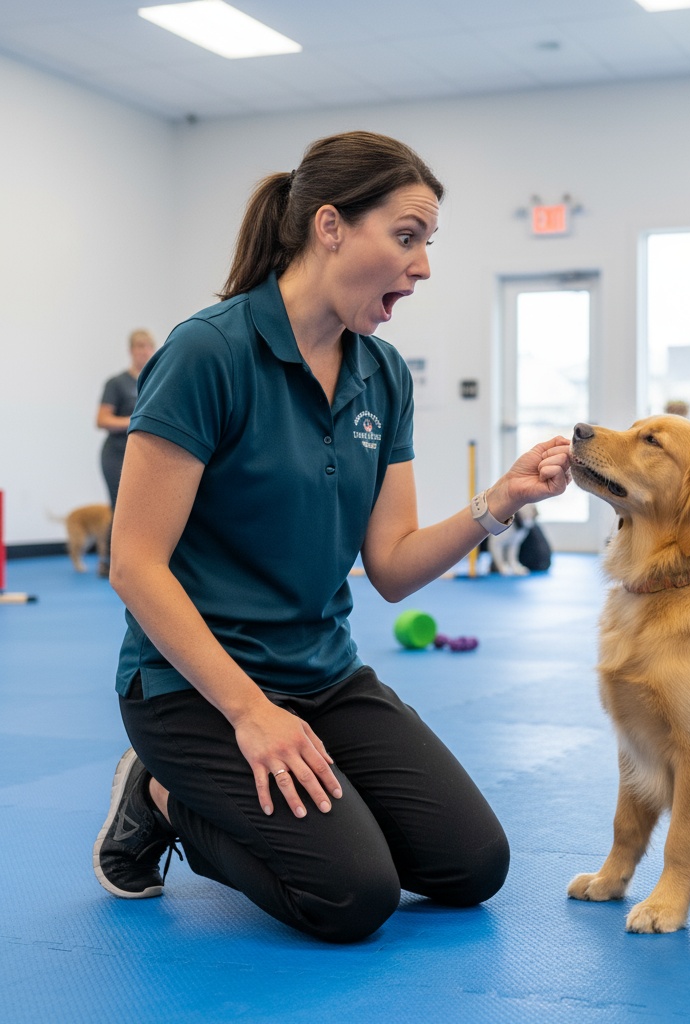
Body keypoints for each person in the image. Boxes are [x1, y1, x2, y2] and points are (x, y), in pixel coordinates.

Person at [91, 131, 573, 944]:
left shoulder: (383, 374)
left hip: (323, 675)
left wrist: (498, 502)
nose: (422, 267)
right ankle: (160, 795)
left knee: (472, 865)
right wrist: (250, 713)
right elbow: (135, 566)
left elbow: (389, 566)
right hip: (194, 691)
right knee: (352, 895)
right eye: (408, 236)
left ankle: (285, 790)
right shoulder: (207, 352)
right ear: (330, 227)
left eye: (426, 244)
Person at [95, 330, 157, 576]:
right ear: (131, 350)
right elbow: (102, 420)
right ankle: (110, 562)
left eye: (148, 346)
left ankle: (140, 562)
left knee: (146, 508)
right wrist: (135, 420)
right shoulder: (116, 383)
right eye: (139, 346)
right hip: (116, 454)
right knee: (119, 507)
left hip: (143, 454)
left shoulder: (155, 380)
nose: (144, 351)